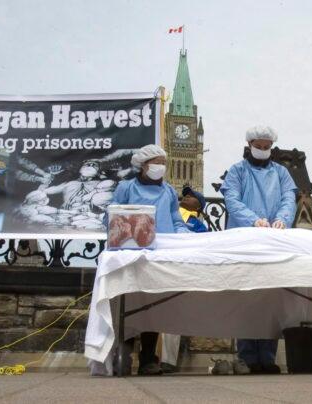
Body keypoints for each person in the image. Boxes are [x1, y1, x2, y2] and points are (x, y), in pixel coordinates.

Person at [220, 126, 298, 374]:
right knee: (246, 297)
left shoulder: (282, 173)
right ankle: (247, 357)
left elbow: (289, 199)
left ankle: (267, 357)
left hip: (272, 240)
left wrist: (282, 219)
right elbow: (232, 200)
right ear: (250, 144)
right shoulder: (237, 171)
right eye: (259, 146)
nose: (263, 151)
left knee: (269, 299)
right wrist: (253, 220)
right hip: (244, 239)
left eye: (267, 147)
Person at [108, 144, 190, 376]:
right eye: (156, 162)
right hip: (131, 252)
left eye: (163, 163)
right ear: (142, 165)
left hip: (159, 254)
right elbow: (114, 216)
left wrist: (182, 234)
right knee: (129, 301)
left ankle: (147, 358)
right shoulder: (126, 188)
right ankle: (123, 353)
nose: (160, 167)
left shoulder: (169, 192)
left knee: (153, 305)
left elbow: (176, 219)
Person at [159, 186, 208, 374]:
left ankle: (167, 361)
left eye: (192, 197)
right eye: (185, 195)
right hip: (161, 266)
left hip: (179, 272)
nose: (186, 196)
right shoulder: (167, 214)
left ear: (199, 207)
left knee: (172, 316)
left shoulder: (198, 226)